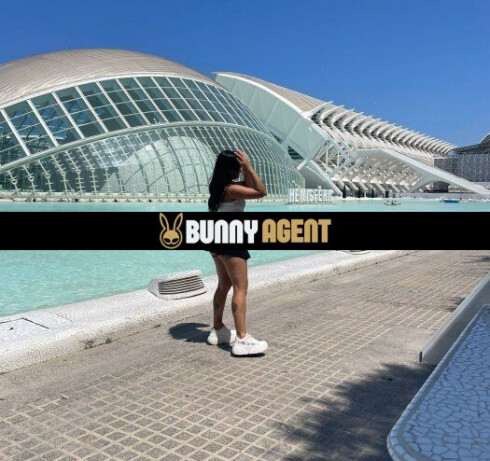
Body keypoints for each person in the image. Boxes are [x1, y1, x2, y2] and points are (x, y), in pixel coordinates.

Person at [205, 149, 268, 356]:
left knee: (224, 284)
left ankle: (218, 329)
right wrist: (248, 166)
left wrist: (245, 169)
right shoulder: (232, 189)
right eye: (238, 167)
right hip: (230, 241)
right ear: (232, 169)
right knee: (241, 288)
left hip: (215, 239)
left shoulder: (218, 186)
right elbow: (261, 191)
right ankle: (242, 338)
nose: (241, 170)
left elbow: (249, 185)